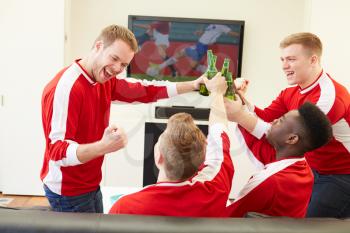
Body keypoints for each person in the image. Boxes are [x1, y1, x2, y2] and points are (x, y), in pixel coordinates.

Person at [40, 24, 203, 213]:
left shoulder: (104, 80)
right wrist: (104, 146)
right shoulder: (67, 88)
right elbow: (57, 151)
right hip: (68, 192)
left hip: (90, 184)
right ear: (98, 46)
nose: (117, 68)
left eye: (124, 65)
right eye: (114, 58)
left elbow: (146, 90)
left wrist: (193, 85)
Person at [238, 32, 350, 218]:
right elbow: (266, 118)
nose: (284, 66)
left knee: (306, 226)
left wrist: (239, 115)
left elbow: (284, 136)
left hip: (341, 174)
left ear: (313, 60)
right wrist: (241, 99)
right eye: (282, 59)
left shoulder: (328, 98)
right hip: (314, 168)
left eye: (291, 59)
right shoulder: (291, 91)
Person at [109, 72, 233, 217]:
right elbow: (219, 130)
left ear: (159, 157)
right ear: (202, 160)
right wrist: (218, 93)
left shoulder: (124, 207)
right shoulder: (216, 189)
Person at [223, 98, 332, 218]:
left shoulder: (270, 181)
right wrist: (241, 108)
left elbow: (227, 217)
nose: (273, 121)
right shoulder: (302, 168)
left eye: (280, 120)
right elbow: (256, 141)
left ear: (291, 139)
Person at [146, 24, 239, 77]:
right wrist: (200, 33)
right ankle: (157, 69)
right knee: (183, 56)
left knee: (191, 63)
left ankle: (220, 74)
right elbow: (207, 33)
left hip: (202, 46)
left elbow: (230, 32)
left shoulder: (222, 26)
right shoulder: (212, 25)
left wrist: (241, 35)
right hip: (199, 44)